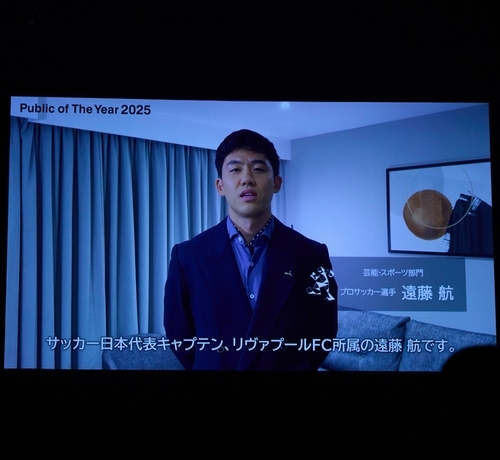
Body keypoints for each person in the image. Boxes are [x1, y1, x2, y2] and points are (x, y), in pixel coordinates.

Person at [164, 129, 338, 370]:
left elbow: (322, 333)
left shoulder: (311, 255)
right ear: (220, 186)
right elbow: (179, 335)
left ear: (277, 183)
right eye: (235, 169)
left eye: (258, 169)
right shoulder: (188, 257)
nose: (247, 179)